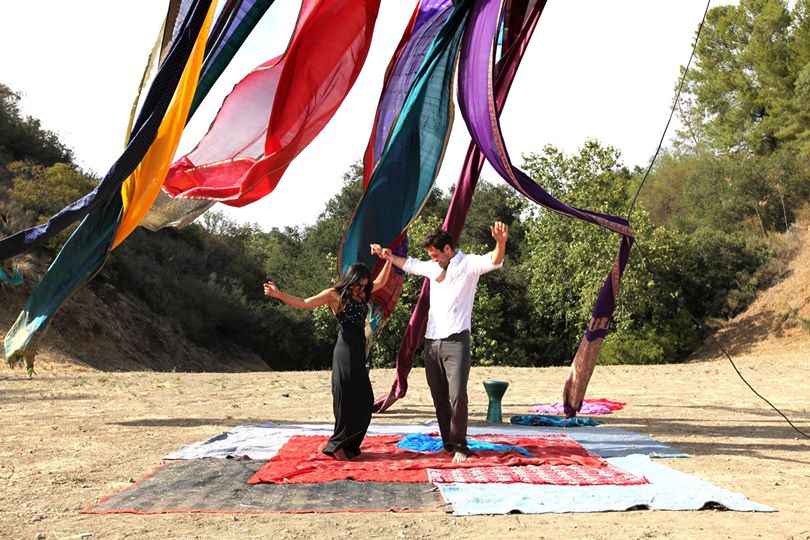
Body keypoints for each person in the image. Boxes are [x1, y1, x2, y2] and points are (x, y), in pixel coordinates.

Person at [372, 222, 508, 463]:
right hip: (431, 343)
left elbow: (494, 260)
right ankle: (448, 443)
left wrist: (500, 242)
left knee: (457, 396)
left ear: (447, 249)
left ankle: (460, 446)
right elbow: (411, 264)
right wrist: (389, 256)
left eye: (435, 255)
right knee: (439, 398)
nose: (432, 260)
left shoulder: (468, 264)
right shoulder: (434, 267)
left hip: (457, 342)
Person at [263, 256, 392, 460]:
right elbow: (304, 303)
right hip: (345, 350)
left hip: (359, 350)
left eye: (366, 283)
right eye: (360, 283)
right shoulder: (334, 295)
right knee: (347, 397)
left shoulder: (363, 293)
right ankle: (338, 445)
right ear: (352, 279)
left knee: (366, 399)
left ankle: (350, 444)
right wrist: (279, 294)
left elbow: (382, 282)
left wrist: (389, 260)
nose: (364, 287)